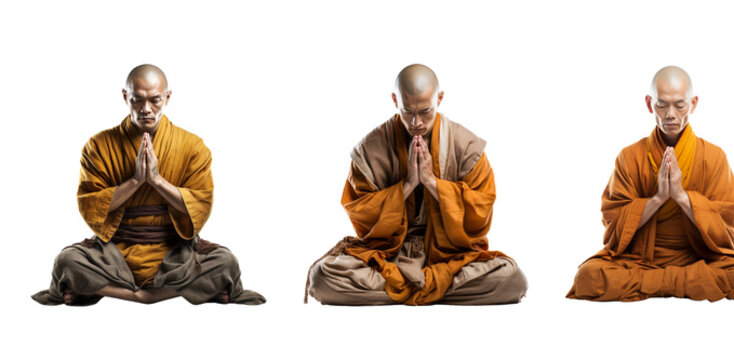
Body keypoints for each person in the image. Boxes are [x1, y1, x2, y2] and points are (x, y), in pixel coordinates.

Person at [32, 64, 264, 305]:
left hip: (174, 252)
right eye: (137, 100)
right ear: (125, 97)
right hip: (115, 253)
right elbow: (90, 204)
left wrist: (157, 181)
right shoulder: (98, 146)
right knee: (67, 261)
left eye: (155, 100)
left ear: (167, 97)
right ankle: (178, 292)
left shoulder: (193, 146)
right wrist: (134, 182)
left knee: (225, 262)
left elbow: (201, 204)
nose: (146, 109)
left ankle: (112, 292)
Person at [306, 64, 527, 305]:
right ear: (394, 100)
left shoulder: (467, 148)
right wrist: (408, 184)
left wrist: (432, 183)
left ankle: (402, 289)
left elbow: (480, 216)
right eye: (407, 111)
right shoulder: (370, 150)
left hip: (449, 256)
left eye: (425, 111)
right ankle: (435, 289)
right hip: (389, 256)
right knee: (322, 277)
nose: (416, 122)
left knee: (511, 278)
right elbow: (363, 220)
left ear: (439, 99)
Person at [566, 66, 734, 302]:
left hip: (696, 258)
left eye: (679, 105)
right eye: (661, 105)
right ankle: (688, 285)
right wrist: (657, 199)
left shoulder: (714, 157)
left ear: (693, 104)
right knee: (588, 276)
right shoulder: (629, 157)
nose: (670, 114)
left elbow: (727, 230)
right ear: (648, 103)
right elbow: (613, 226)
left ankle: (652, 285)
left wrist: (683, 198)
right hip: (640, 260)